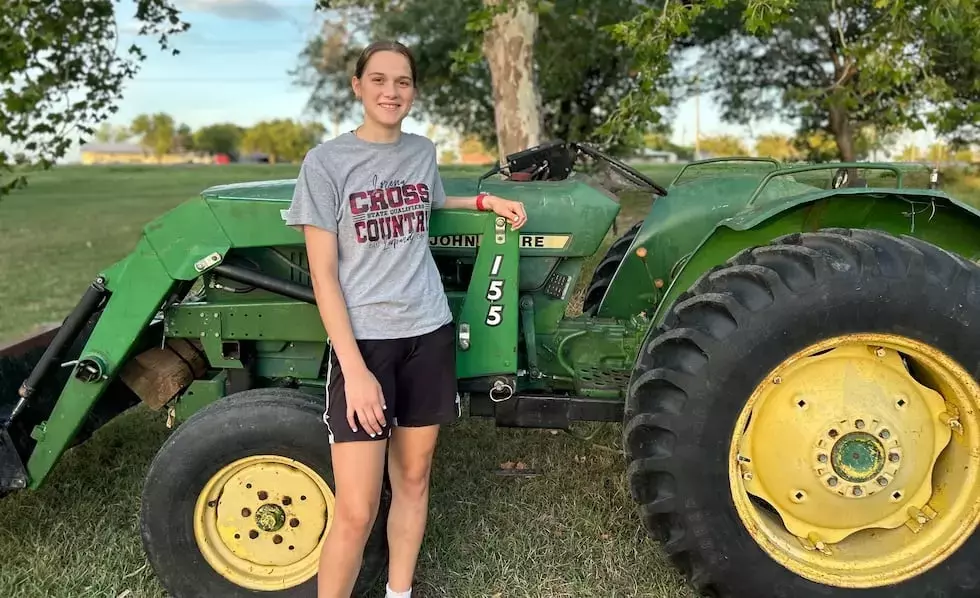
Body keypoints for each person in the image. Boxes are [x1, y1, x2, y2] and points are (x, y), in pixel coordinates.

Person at [283, 40, 528, 598]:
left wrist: (487, 203)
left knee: (414, 479)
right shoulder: (325, 164)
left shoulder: (421, 150)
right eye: (379, 80)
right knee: (357, 506)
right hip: (366, 346)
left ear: (413, 91)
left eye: (403, 82)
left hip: (428, 333)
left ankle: (400, 593)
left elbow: (427, 202)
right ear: (358, 87)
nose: (391, 92)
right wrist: (356, 371)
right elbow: (323, 275)